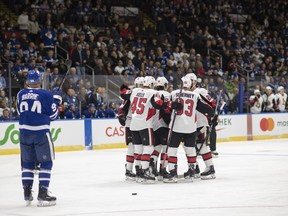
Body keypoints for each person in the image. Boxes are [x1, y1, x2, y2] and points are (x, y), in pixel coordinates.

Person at [17, 70, 61, 207]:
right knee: (46, 162)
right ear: (40, 81)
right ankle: (43, 194)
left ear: (27, 81)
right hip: (41, 132)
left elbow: (20, 111)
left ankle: (27, 193)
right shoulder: (46, 94)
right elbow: (54, 116)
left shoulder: (20, 94)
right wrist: (56, 101)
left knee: (27, 163)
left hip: (24, 132)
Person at [163, 76, 214, 183]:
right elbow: (209, 108)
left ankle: (209, 168)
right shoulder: (195, 95)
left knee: (200, 146)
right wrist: (212, 113)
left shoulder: (198, 91)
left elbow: (212, 104)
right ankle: (193, 170)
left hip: (195, 124)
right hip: (192, 126)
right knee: (190, 149)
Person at [150, 77, 171, 180]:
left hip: (152, 124)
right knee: (165, 148)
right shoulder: (167, 94)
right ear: (165, 85)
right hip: (163, 124)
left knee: (156, 148)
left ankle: (152, 168)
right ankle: (163, 170)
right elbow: (168, 109)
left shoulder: (152, 94)